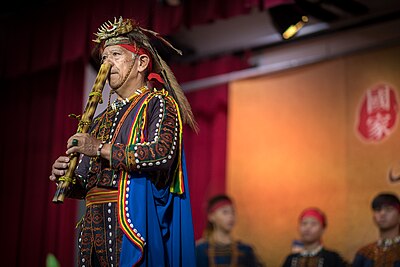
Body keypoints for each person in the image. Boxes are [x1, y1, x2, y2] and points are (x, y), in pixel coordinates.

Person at [49, 16, 198, 267]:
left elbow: (161, 155)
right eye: (104, 58)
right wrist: (69, 178)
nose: (106, 64)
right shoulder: (99, 120)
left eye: (115, 55)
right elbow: (87, 182)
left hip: (133, 223)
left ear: (141, 63)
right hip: (94, 229)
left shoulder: (158, 103)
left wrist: (97, 148)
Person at [195, 194, 264, 267]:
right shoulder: (200, 249)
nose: (231, 216)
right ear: (211, 216)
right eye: (225, 212)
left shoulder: (245, 250)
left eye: (233, 212)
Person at [282, 207, 349, 267]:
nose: (307, 227)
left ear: (323, 229)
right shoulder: (290, 259)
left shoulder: (333, 258)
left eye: (313, 224)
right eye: (304, 223)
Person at [352, 192, 400, 267]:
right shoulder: (364, 253)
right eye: (378, 210)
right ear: (373, 217)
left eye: (389, 209)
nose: (382, 213)